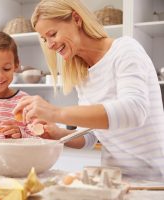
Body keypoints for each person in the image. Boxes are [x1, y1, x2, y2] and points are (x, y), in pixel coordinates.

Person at [13, 0, 164, 181]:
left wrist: (56, 112)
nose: (50, 45)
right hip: (113, 179)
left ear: (76, 19)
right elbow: (90, 136)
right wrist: (58, 133)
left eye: (52, 34)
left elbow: (134, 111)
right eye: (45, 40)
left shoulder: (125, 49)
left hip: (154, 179)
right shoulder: (82, 74)